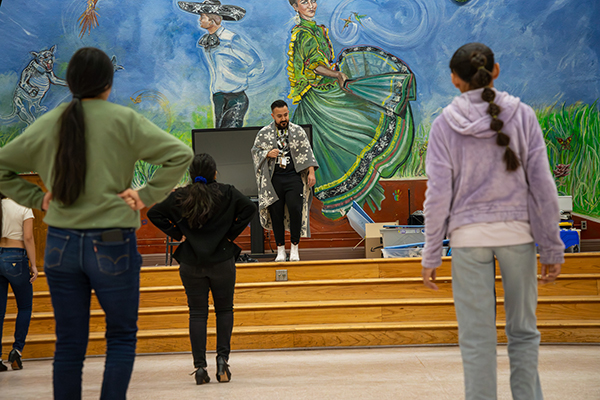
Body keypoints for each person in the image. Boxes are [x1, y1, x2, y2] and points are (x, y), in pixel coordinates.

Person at [0, 47, 193, 399]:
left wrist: (36, 198)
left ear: (70, 82)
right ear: (109, 82)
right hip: (112, 243)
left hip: (60, 244)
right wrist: (144, 195)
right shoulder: (124, 120)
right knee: (120, 336)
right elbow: (180, 155)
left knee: (69, 344)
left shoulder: (49, 122)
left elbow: (2, 167)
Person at [421, 42, 563, 400]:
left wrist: (431, 254)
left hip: (468, 240)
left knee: (476, 339)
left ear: (455, 79)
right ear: (495, 71)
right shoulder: (525, 115)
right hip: (518, 235)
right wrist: (551, 246)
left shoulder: (443, 126)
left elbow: (437, 197)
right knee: (524, 332)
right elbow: (543, 186)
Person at [286, 0, 417, 219]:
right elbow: (312, 65)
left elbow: (324, 62)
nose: (310, 5)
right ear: (295, 6)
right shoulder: (302, 34)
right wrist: (335, 74)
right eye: (303, 2)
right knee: (334, 145)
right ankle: (343, 198)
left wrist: (337, 72)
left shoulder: (318, 30)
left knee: (357, 125)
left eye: (312, 0)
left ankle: (364, 191)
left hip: (326, 91)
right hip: (316, 100)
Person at [147, 153, 255, 384]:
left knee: (197, 313)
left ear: (190, 174)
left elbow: (153, 213)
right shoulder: (227, 192)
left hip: (191, 263)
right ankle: (222, 361)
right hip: (222, 262)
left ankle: (199, 368)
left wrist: (179, 234)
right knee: (224, 310)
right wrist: (229, 235)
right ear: (215, 173)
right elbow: (249, 209)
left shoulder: (180, 196)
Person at [178, 0, 264, 128]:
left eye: (203, 17)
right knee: (219, 134)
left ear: (212, 20)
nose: (200, 20)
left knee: (231, 135)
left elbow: (256, 63)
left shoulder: (231, 38)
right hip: (218, 96)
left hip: (236, 97)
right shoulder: (208, 40)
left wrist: (240, 78)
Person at [251, 100, 318, 262]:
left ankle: (294, 246)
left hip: (293, 176)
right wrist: (267, 153)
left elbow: (307, 152)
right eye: (279, 116)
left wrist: (311, 173)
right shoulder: (264, 133)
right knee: (276, 213)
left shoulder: (298, 131)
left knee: (296, 209)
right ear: (273, 116)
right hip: (274, 179)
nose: (283, 118)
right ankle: (280, 249)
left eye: (286, 115)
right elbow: (255, 152)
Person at [0, 193, 38, 371]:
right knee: (24, 307)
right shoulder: (24, 206)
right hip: (16, 258)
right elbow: (28, 238)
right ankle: (16, 350)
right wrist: (34, 264)